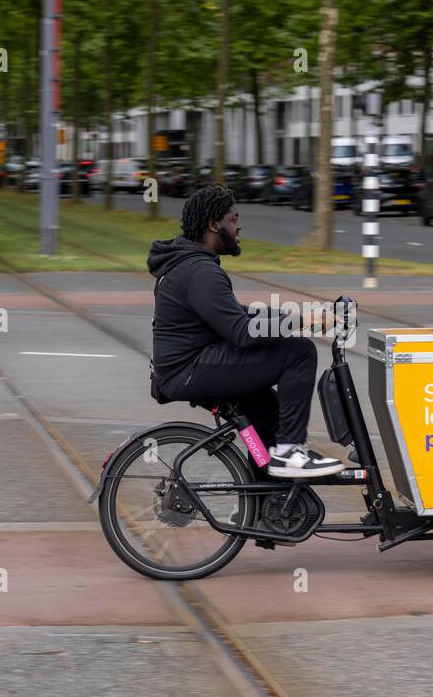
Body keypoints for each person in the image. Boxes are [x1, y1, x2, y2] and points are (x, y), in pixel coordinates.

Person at [147, 184, 344, 478]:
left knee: (271, 415)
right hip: (189, 369)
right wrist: (304, 322)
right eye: (234, 219)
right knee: (299, 351)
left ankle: (266, 506)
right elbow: (242, 331)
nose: (240, 226)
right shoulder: (200, 272)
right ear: (214, 224)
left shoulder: (191, 265)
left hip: (189, 365)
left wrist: (297, 316)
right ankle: (289, 453)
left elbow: (237, 314)